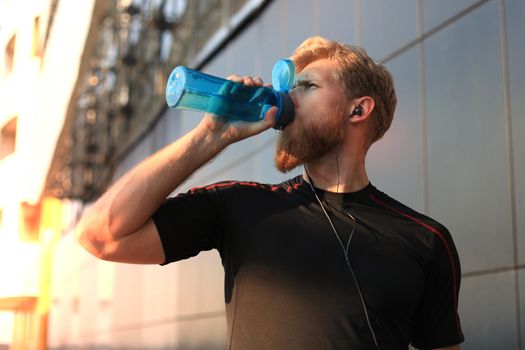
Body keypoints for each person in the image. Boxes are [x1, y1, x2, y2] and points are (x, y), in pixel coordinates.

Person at [77, 36, 464, 349]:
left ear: (357, 111)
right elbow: (99, 234)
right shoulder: (240, 204)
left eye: (307, 87)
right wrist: (208, 137)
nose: (289, 100)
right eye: (288, 89)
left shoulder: (425, 240)